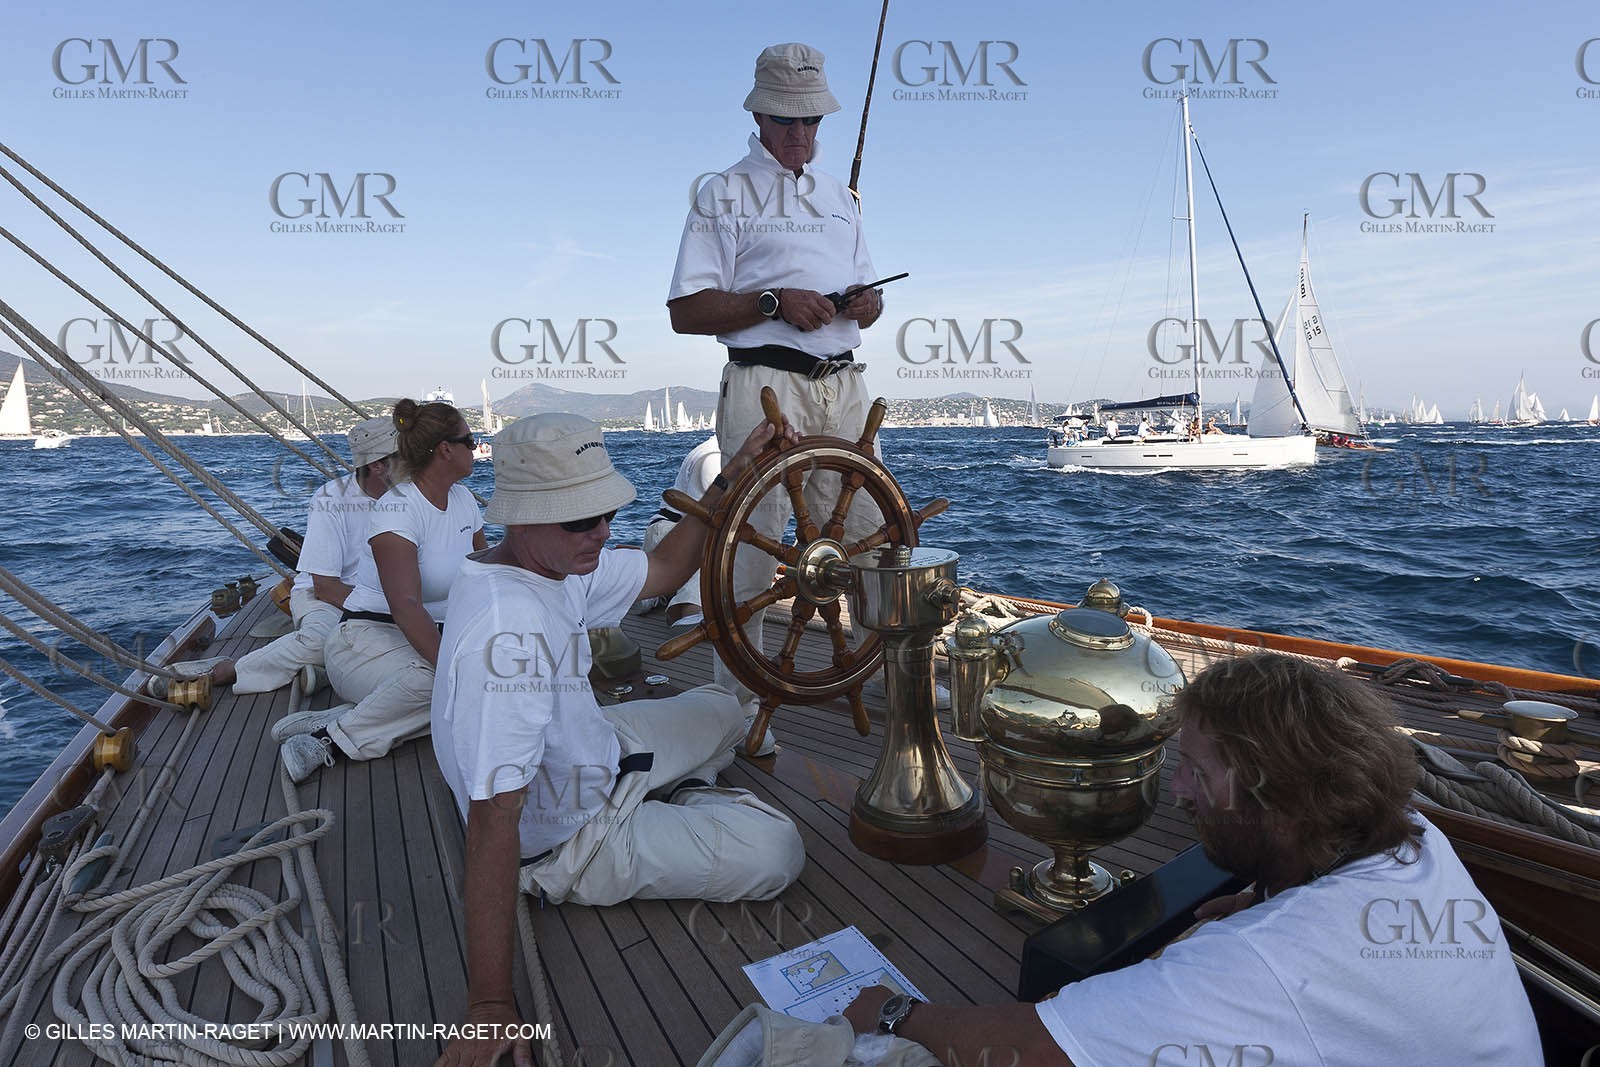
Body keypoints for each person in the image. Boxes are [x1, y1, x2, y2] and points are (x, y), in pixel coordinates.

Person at [841, 653, 1542, 1065]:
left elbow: (1029, 1052)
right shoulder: (1413, 836)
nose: (1177, 789)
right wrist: (1262, 900)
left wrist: (898, 1013)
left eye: (1199, 774)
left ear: (1281, 805)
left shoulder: (1264, 963)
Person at [430, 413, 806, 1067]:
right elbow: (493, 821)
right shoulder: (506, 634)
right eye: (583, 519)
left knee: (727, 709)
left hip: (597, 748)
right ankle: (676, 800)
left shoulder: (547, 563)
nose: (603, 532)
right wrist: (489, 1004)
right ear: (524, 518)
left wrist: (735, 473)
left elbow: (663, 567)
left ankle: (671, 789)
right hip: (568, 837)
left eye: (606, 512)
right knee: (779, 850)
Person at [666, 42, 887, 729]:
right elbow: (685, 311)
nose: (801, 134)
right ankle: (731, 712)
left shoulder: (841, 198)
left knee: (875, 541)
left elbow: (871, 302)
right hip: (765, 386)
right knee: (746, 551)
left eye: (811, 120)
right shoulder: (723, 192)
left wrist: (868, 303)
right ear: (758, 116)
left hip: (844, 388)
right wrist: (773, 302)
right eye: (787, 120)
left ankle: (892, 677)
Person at [277, 399, 486, 783]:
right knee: (453, 684)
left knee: (489, 679)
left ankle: (361, 713)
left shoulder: (464, 501)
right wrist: (456, 667)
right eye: (470, 441)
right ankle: (332, 740)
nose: (475, 448)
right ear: (445, 449)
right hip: (363, 642)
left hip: (424, 639)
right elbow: (405, 605)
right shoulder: (397, 510)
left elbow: (482, 573)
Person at [208, 416, 397, 694]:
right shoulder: (331, 499)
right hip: (327, 597)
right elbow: (325, 587)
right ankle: (237, 669)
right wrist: (390, 614)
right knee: (322, 639)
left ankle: (324, 671)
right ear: (377, 465)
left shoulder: (410, 496)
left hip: (385, 598)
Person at [632, 434, 721, 624]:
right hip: (672, 533)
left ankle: (655, 591)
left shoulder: (713, 449)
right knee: (712, 553)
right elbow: (702, 523)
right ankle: (689, 609)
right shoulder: (714, 458)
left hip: (663, 532)